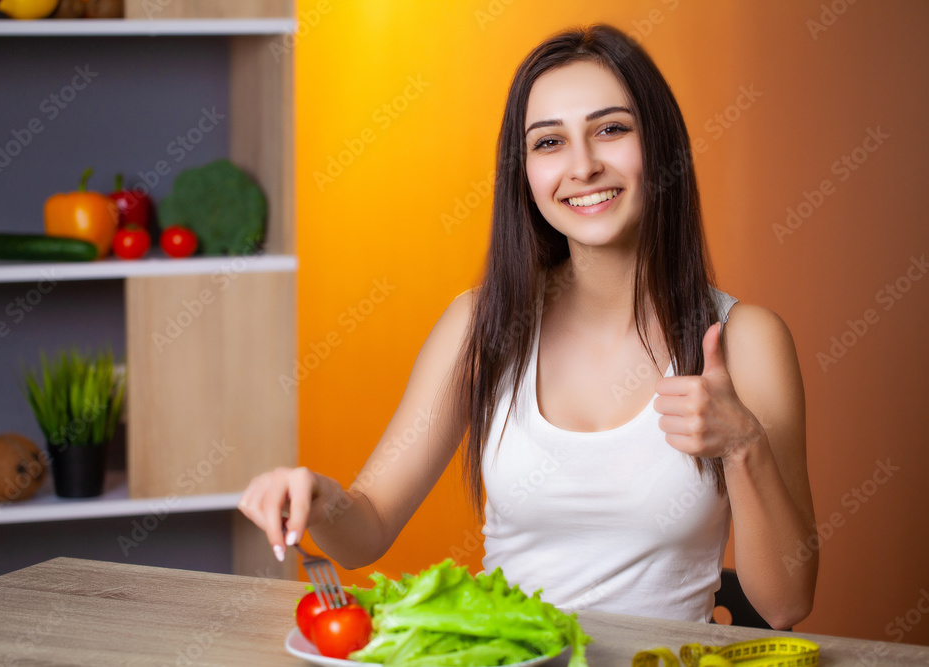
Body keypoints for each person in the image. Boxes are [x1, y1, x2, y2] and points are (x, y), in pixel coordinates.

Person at [238, 24, 817, 629]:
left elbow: (787, 602)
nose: (583, 166)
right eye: (548, 143)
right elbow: (369, 530)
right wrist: (320, 499)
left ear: (661, 147)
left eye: (611, 130)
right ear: (525, 173)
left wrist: (743, 445)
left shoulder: (746, 339)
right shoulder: (480, 326)